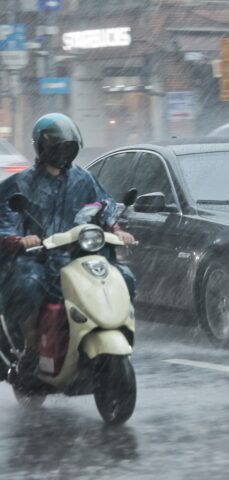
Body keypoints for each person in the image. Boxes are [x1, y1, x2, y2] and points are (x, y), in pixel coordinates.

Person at [0, 113, 136, 381]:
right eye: (57, 144)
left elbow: (104, 205)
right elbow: (6, 219)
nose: (63, 150)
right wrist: (19, 239)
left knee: (124, 278)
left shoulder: (82, 179)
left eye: (67, 144)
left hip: (77, 253)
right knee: (28, 283)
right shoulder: (21, 183)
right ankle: (30, 346)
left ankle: (109, 330)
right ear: (43, 146)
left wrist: (117, 229)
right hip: (36, 258)